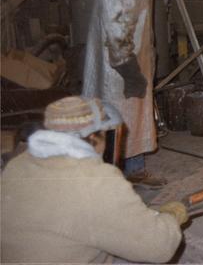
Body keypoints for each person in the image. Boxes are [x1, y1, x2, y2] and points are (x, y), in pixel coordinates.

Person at [1, 96, 188, 263]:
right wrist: (171, 217)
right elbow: (159, 248)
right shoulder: (95, 179)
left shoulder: (18, 163)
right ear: (92, 137)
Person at [82, 0, 180, 186]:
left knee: (131, 117)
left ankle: (133, 168)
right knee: (117, 119)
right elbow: (117, 24)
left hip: (131, 59)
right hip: (120, 66)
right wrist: (129, 70)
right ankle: (112, 180)